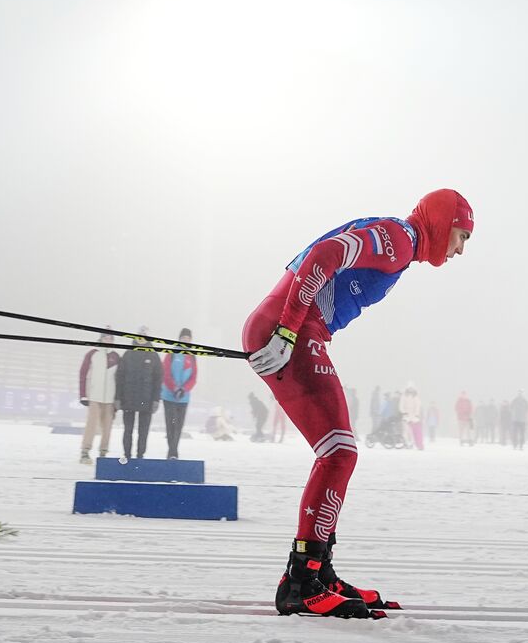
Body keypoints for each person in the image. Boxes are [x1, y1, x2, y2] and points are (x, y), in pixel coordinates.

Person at [242, 188, 473, 618]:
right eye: (461, 236)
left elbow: (321, 257)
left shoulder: (398, 238)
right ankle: (302, 581)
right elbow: (323, 256)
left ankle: (316, 572)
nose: (460, 249)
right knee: (338, 452)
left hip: (291, 326)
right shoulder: (399, 239)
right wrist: (288, 329)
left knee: (337, 452)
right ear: (443, 224)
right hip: (291, 328)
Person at [115, 328, 162, 459]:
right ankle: (127, 454)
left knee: (143, 431)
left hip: (146, 400)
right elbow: (120, 377)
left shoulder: (153, 355)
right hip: (128, 399)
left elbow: (158, 379)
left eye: (144, 336)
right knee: (128, 430)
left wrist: (156, 399)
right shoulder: (128, 354)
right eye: (139, 336)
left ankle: (140, 455)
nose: (141, 339)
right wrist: (118, 397)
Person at [77, 331, 119, 464]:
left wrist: (118, 399)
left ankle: (103, 452)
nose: (108, 340)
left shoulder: (116, 356)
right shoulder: (92, 354)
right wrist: (83, 394)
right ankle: (85, 452)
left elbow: (119, 378)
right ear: (101, 339)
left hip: (110, 398)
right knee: (92, 425)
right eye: (105, 337)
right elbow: (83, 374)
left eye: (110, 338)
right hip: (94, 396)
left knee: (107, 426)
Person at [161, 327, 198, 460]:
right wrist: (175, 388)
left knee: (178, 426)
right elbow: (165, 373)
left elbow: (193, 377)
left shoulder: (192, 357)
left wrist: (184, 389)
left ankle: (173, 452)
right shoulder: (171, 354)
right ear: (179, 339)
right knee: (171, 425)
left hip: (183, 398)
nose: (186, 340)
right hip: (169, 396)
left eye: (188, 339)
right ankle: (172, 452)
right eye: (183, 338)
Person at [400, 384, 424, 451]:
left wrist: (416, 414)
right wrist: (404, 412)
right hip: (406, 416)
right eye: (409, 388)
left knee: (413, 431)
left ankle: (414, 443)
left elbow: (418, 406)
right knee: (406, 431)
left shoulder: (416, 397)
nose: (410, 389)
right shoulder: (404, 396)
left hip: (414, 417)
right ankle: (407, 443)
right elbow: (401, 405)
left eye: (412, 388)